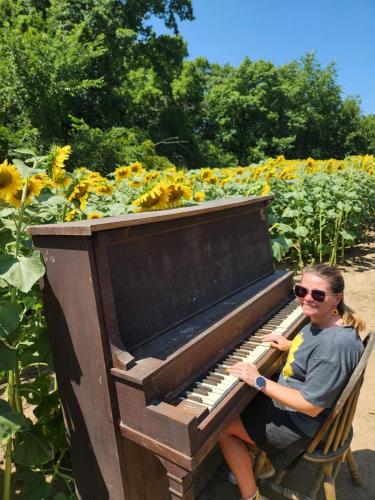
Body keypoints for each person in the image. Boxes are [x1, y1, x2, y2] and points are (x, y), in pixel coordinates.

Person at [219, 264, 366, 500]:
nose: (307, 299)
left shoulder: (333, 348)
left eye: (318, 294)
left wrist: (258, 380)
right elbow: (316, 355)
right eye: (301, 291)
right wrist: (292, 347)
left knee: (223, 427)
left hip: (303, 423)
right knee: (244, 399)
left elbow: (311, 405)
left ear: (336, 298)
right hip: (301, 407)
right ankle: (258, 454)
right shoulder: (329, 321)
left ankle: (252, 496)